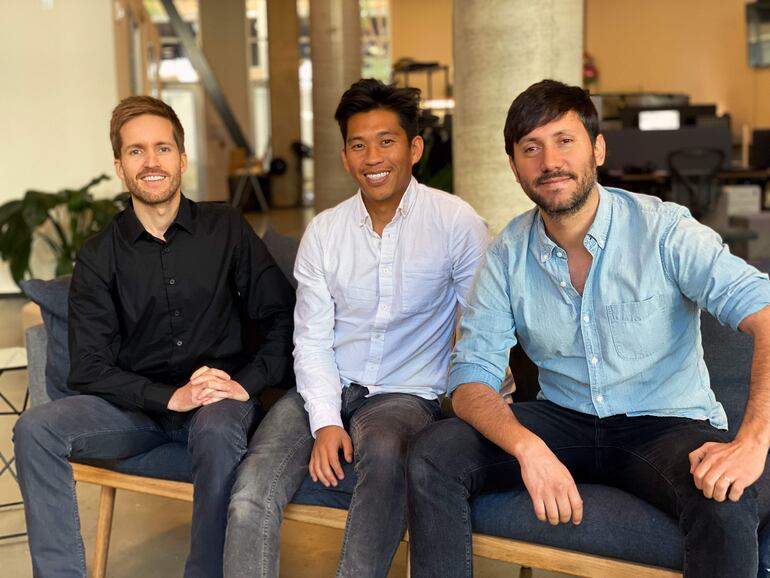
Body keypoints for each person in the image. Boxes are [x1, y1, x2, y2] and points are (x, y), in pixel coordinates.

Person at [406, 79, 770, 578]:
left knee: (724, 496)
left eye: (565, 141)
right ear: (514, 167)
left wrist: (751, 442)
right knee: (433, 452)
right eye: (531, 148)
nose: (549, 162)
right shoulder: (508, 253)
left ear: (597, 149)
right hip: (565, 421)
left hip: (665, 425)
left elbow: (765, 316)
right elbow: (470, 380)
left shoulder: (663, 229)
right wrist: (528, 448)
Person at [13, 95, 294, 578]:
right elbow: (88, 367)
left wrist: (245, 384)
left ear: (182, 159)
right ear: (120, 167)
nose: (151, 162)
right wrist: (169, 397)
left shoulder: (226, 228)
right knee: (34, 429)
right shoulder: (98, 255)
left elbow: (282, 316)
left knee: (216, 428)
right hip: (134, 411)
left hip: (217, 399)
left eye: (162, 148)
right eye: (136, 151)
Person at [224, 78, 488, 578]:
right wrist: (325, 421)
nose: (373, 157)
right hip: (325, 384)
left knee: (386, 456)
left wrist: (489, 406)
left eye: (387, 141)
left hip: (407, 394)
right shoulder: (325, 232)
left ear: (414, 148)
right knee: (250, 491)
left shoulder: (456, 224)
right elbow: (311, 340)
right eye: (358, 145)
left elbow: (482, 328)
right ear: (345, 157)